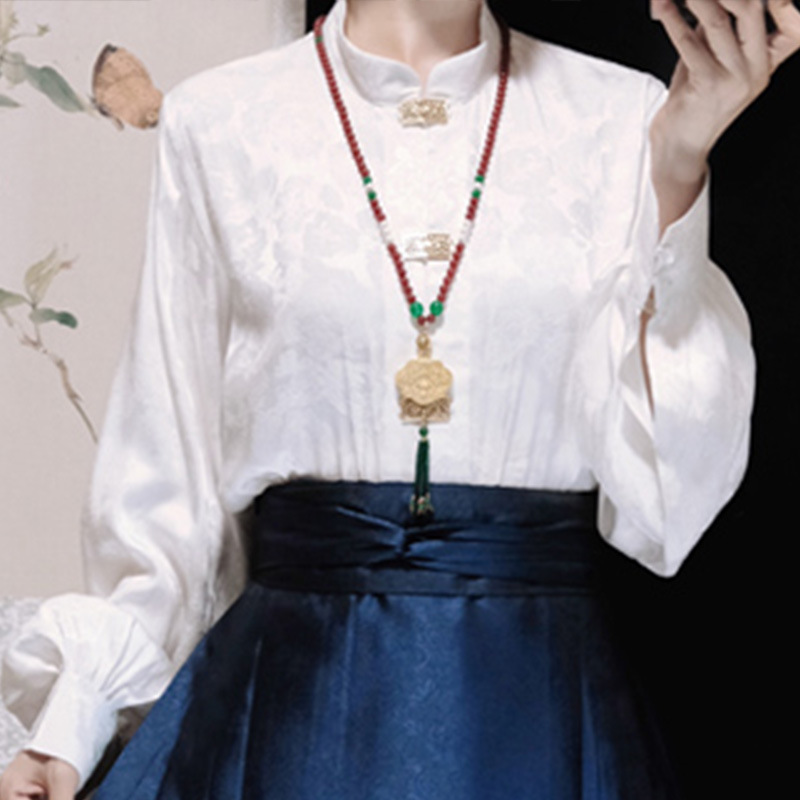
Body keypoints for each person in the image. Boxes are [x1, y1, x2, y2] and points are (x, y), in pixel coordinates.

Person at [1, 0, 796, 797]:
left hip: (534, 705)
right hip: (293, 710)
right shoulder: (218, 120)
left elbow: (666, 496)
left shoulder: (624, 116)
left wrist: (677, 161)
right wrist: (70, 724)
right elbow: (167, 474)